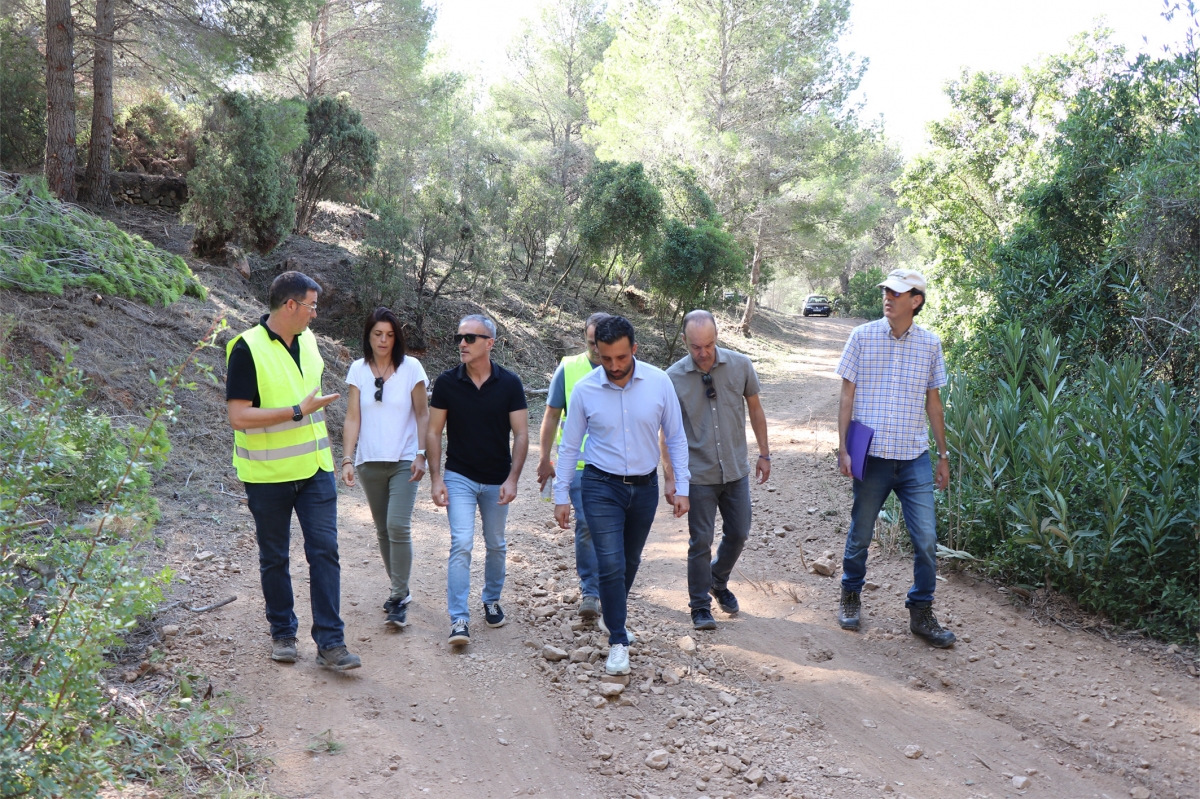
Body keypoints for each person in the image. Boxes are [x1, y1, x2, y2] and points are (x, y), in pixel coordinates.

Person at [225, 271, 360, 671]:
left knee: (325, 552)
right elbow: (238, 415)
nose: (315, 315)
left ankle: (331, 643)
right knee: (274, 557)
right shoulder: (246, 348)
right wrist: (297, 412)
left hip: (316, 470)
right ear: (290, 305)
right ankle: (283, 633)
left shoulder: (310, 341)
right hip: (267, 476)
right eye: (311, 306)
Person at [553, 315, 690, 677]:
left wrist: (681, 486)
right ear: (596, 351)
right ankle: (618, 640)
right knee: (610, 564)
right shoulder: (584, 390)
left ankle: (614, 615)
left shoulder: (659, 383)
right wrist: (561, 494)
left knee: (629, 562)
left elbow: (675, 437)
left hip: (644, 488)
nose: (613, 366)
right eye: (605, 358)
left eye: (621, 358)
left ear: (634, 349)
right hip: (600, 485)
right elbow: (569, 448)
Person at [834, 268, 956, 648]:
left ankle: (921, 610)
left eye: (897, 292)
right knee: (861, 533)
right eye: (886, 290)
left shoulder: (931, 345)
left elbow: (934, 404)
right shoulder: (862, 336)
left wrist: (943, 454)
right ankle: (851, 593)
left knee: (926, 538)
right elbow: (846, 396)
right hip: (871, 457)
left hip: (915, 457)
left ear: (915, 301)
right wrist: (843, 448)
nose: (888, 296)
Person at [662, 310, 771, 631]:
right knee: (701, 541)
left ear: (716, 338)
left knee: (739, 533)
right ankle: (699, 605)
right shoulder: (672, 379)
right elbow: (666, 433)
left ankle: (717, 580)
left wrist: (764, 454)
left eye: (709, 345)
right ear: (684, 342)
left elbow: (756, 410)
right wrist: (670, 478)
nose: (703, 353)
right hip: (697, 475)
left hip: (736, 470)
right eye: (696, 347)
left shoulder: (740, 365)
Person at [427, 314, 529, 646]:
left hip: (498, 478)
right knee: (461, 544)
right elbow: (433, 431)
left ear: (490, 343)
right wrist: (436, 478)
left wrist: (513, 479)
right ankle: (459, 619)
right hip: (460, 477)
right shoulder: (446, 383)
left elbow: (522, 434)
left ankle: (491, 599)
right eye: (460, 337)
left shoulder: (510, 384)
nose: (462, 343)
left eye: (471, 338)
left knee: (496, 543)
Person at [340, 307, 429, 629]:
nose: (384, 340)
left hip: (404, 458)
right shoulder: (358, 370)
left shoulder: (411, 369)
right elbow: (352, 417)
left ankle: (397, 595)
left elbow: (423, 415)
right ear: (368, 335)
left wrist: (421, 454)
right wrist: (347, 458)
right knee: (382, 530)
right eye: (378, 334)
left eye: (390, 335)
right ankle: (400, 590)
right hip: (368, 461)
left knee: (397, 526)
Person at [536, 312, 611, 621]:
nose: (595, 349)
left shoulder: (621, 365)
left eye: (600, 343)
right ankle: (590, 592)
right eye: (591, 343)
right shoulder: (569, 368)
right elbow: (552, 415)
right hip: (580, 463)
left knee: (613, 528)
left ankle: (612, 584)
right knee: (587, 527)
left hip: (617, 465)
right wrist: (544, 458)